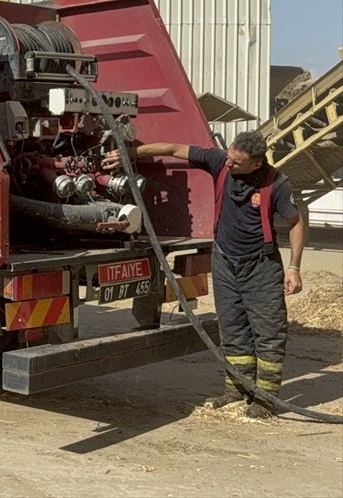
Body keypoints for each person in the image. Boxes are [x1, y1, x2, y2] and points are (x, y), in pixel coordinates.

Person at [103, 131, 305, 419]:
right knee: (232, 327)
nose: (229, 165)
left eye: (237, 162)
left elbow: (296, 223)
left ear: (256, 164)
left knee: (268, 332)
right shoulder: (219, 161)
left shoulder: (277, 184)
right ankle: (237, 387)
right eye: (229, 157)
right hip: (224, 260)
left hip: (260, 265)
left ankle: (265, 397)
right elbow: (173, 145)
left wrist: (295, 267)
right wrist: (129, 155)